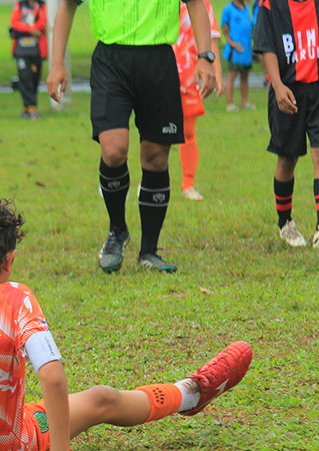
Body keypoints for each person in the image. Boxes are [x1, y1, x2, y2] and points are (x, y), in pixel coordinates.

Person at [0, 193, 253, 451]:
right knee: (102, 399)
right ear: (9, 260)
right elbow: (52, 376)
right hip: (1, 447)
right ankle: (191, 393)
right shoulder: (15, 299)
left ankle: (191, 393)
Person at [47, 0, 217, 274]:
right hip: (110, 62)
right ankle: (117, 231)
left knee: (156, 158)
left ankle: (149, 251)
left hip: (158, 60)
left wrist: (205, 57)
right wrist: (56, 64)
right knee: (113, 150)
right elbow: (67, 6)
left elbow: (196, 4)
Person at [254, 0, 319, 249]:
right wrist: (278, 85)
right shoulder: (270, 5)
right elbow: (266, 47)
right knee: (287, 158)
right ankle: (286, 224)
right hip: (288, 89)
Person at [175, 0, 223, 201]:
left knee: (187, 132)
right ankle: (150, 178)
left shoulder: (203, 4)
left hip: (189, 77)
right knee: (155, 134)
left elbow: (211, 39)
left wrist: (217, 73)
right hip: (161, 73)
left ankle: (188, 184)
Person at [10, 0, 48, 119]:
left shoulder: (42, 6)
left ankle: (30, 107)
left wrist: (33, 28)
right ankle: (29, 108)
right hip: (22, 50)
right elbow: (14, 22)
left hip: (36, 50)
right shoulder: (19, 5)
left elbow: (43, 23)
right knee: (24, 77)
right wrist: (30, 30)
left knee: (34, 78)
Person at [221, 0, 257, 111]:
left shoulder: (246, 9)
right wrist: (232, 44)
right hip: (235, 50)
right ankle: (230, 103)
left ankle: (244, 101)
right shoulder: (228, 9)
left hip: (246, 49)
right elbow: (224, 29)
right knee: (232, 75)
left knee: (245, 75)